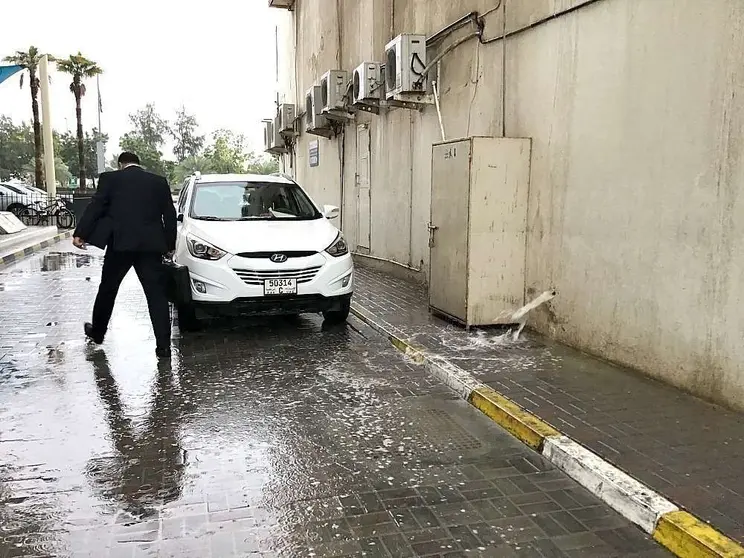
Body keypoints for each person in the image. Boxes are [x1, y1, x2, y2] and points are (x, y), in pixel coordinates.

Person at [73, 152, 177, 359]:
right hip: (150, 247)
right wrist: (169, 244)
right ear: (139, 163)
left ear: (121, 164)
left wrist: (81, 233)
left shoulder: (110, 179)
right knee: (156, 295)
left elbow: (96, 206)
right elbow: (170, 214)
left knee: (108, 289)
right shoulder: (158, 182)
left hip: (119, 245)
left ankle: (98, 333)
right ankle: (163, 347)